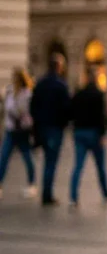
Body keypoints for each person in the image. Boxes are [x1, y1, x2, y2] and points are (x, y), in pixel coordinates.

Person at [69, 68, 107, 207]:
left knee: (78, 166)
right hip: (94, 133)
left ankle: (73, 197)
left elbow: (71, 112)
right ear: (95, 79)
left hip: (79, 132)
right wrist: (103, 135)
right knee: (100, 167)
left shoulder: (78, 94)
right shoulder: (98, 94)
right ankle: (106, 194)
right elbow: (101, 117)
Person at [30, 53, 71, 206]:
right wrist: (64, 124)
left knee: (47, 160)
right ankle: (47, 195)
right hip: (54, 128)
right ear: (59, 67)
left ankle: (46, 192)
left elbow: (33, 106)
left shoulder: (40, 84)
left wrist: (36, 126)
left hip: (42, 127)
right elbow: (67, 109)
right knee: (50, 162)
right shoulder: (61, 85)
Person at [0, 67, 37, 200]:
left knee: (28, 159)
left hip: (22, 131)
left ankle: (32, 184)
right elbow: (7, 108)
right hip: (11, 130)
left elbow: (26, 111)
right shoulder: (9, 91)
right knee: (3, 158)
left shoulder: (27, 93)